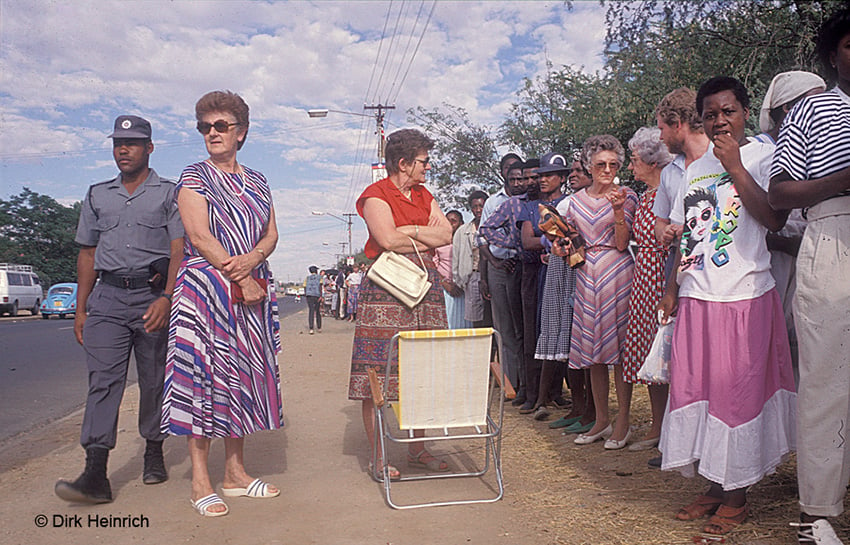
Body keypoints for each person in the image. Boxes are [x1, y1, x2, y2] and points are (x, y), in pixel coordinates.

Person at [659, 76, 796, 535]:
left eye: (729, 111)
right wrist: (673, 287)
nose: (720, 121)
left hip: (745, 295)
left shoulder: (765, 155)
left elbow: (775, 218)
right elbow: (688, 237)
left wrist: (736, 166)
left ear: (744, 111)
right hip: (699, 295)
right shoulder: (695, 170)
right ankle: (716, 484)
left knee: (736, 396)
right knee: (700, 392)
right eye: (711, 114)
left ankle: (737, 492)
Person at [161, 91, 282, 517]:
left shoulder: (259, 180)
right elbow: (199, 236)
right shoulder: (194, 175)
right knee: (204, 380)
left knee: (243, 377)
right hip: (207, 292)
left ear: (241, 132)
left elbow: (270, 233)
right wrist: (242, 274)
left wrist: (256, 259)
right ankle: (200, 482)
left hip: (250, 294)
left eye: (220, 126)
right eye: (204, 127)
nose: (212, 133)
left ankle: (235, 474)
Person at [55, 115, 183, 504]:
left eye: (132, 143)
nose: (123, 150)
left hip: (151, 297)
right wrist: (81, 309)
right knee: (103, 381)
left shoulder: (170, 193)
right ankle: (95, 471)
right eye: (117, 144)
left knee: (153, 379)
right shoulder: (98, 195)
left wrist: (167, 298)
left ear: (149, 148)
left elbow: (178, 250)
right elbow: (88, 253)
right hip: (107, 299)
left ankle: (153, 452)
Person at [769, 8, 850, 544]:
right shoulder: (816, 107)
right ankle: (818, 512)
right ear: (832, 53)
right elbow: (779, 193)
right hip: (833, 235)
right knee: (826, 380)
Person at [347, 128, 453, 480]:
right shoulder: (375, 196)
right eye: (423, 161)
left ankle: (417, 449)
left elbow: (447, 234)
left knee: (423, 370)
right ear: (404, 163)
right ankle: (378, 457)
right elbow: (386, 239)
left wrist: (407, 231)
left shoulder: (424, 193)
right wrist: (419, 233)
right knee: (377, 374)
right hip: (386, 294)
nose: (427, 168)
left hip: (427, 290)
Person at [557, 135, 638, 450]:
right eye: (601, 164)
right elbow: (567, 241)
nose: (607, 169)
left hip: (618, 273)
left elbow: (622, 243)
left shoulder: (626, 195)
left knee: (619, 352)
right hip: (587, 276)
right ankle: (601, 419)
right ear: (589, 166)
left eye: (613, 164)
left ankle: (623, 421)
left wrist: (618, 211)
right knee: (593, 355)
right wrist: (561, 245)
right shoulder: (574, 201)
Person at [757, 71, 826, 381]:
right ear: (788, 109)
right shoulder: (760, 155)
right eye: (814, 103)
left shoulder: (817, 151)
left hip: (808, 264)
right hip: (770, 269)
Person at [619, 127, 674, 452]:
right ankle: (657, 425)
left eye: (635, 160)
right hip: (643, 278)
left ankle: (669, 428)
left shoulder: (669, 193)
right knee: (650, 355)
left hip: (662, 279)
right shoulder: (644, 197)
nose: (631, 167)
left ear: (653, 162)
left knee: (666, 352)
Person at [549, 158, 596, 434]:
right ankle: (577, 406)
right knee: (568, 343)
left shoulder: (598, 202)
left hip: (587, 272)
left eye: (579, 171)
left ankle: (592, 409)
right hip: (565, 271)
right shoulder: (570, 203)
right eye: (573, 171)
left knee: (586, 344)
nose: (573, 176)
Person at [524, 152, 570, 421]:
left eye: (549, 175)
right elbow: (527, 240)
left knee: (567, 328)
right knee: (545, 329)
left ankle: (558, 393)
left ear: (562, 178)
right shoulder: (533, 206)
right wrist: (548, 242)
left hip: (568, 270)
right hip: (544, 273)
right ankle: (539, 397)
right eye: (540, 175)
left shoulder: (572, 202)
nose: (543, 180)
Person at [478, 157, 526, 404]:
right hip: (499, 268)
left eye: (519, 175)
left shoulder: (529, 201)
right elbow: (482, 238)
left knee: (523, 329)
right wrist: (494, 265)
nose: (516, 181)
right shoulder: (493, 203)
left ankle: (526, 384)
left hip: (523, 265)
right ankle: (510, 383)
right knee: (504, 328)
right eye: (510, 175)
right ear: (503, 175)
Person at [452, 190, 491, 327]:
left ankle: (496, 346)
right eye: (475, 207)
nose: (478, 210)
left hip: (492, 274)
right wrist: (459, 280)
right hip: (473, 276)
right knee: (476, 317)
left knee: (494, 314)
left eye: (481, 206)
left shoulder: (493, 226)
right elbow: (456, 257)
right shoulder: (463, 231)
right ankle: (482, 347)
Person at [435, 210, 471, 329]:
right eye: (447, 221)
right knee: (447, 321)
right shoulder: (438, 242)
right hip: (444, 289)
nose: (450, 224)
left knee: (462, 323)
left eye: (453, 221)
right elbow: (433, 264)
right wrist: (445, 283)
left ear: (461, 224)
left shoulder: (466, 240)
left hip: (463, 288)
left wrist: (460, 284)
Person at [304, 265, 322, 334]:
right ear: (316, 271)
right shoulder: (319, 277)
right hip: (317, 295)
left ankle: (311, 328)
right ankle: (319, 327)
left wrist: (306, 295)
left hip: (309, 295)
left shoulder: (307, 278)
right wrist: (321, 296)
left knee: (311, 311)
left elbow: (305, 287)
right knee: (317, 311)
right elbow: (320, 287)